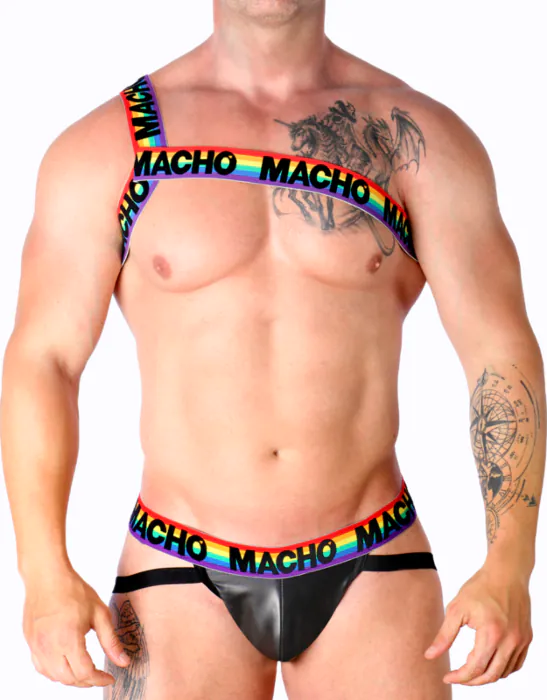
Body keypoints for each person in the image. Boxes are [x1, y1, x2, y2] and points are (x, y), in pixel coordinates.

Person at [1, 0, 544, 698]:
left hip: (372, 557)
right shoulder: (108, 146)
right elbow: (44, 359)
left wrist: (510, 565)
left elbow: (497, 347)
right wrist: (42, 571)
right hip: (177, 564)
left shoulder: (414, 138)